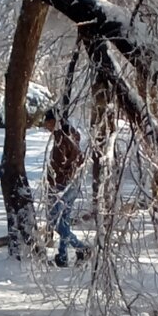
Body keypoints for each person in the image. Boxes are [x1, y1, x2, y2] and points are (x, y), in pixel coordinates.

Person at [43, 109, 89, 267]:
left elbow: (70, 161)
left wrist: (61, 177)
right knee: (63, 221)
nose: (46, 126)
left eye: (48, 122)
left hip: (64, 186)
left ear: (55, 121)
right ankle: (62, 256)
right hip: (67, 184)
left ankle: (81, 247)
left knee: (55, 220)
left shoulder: (64, 138)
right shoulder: (66, 136)